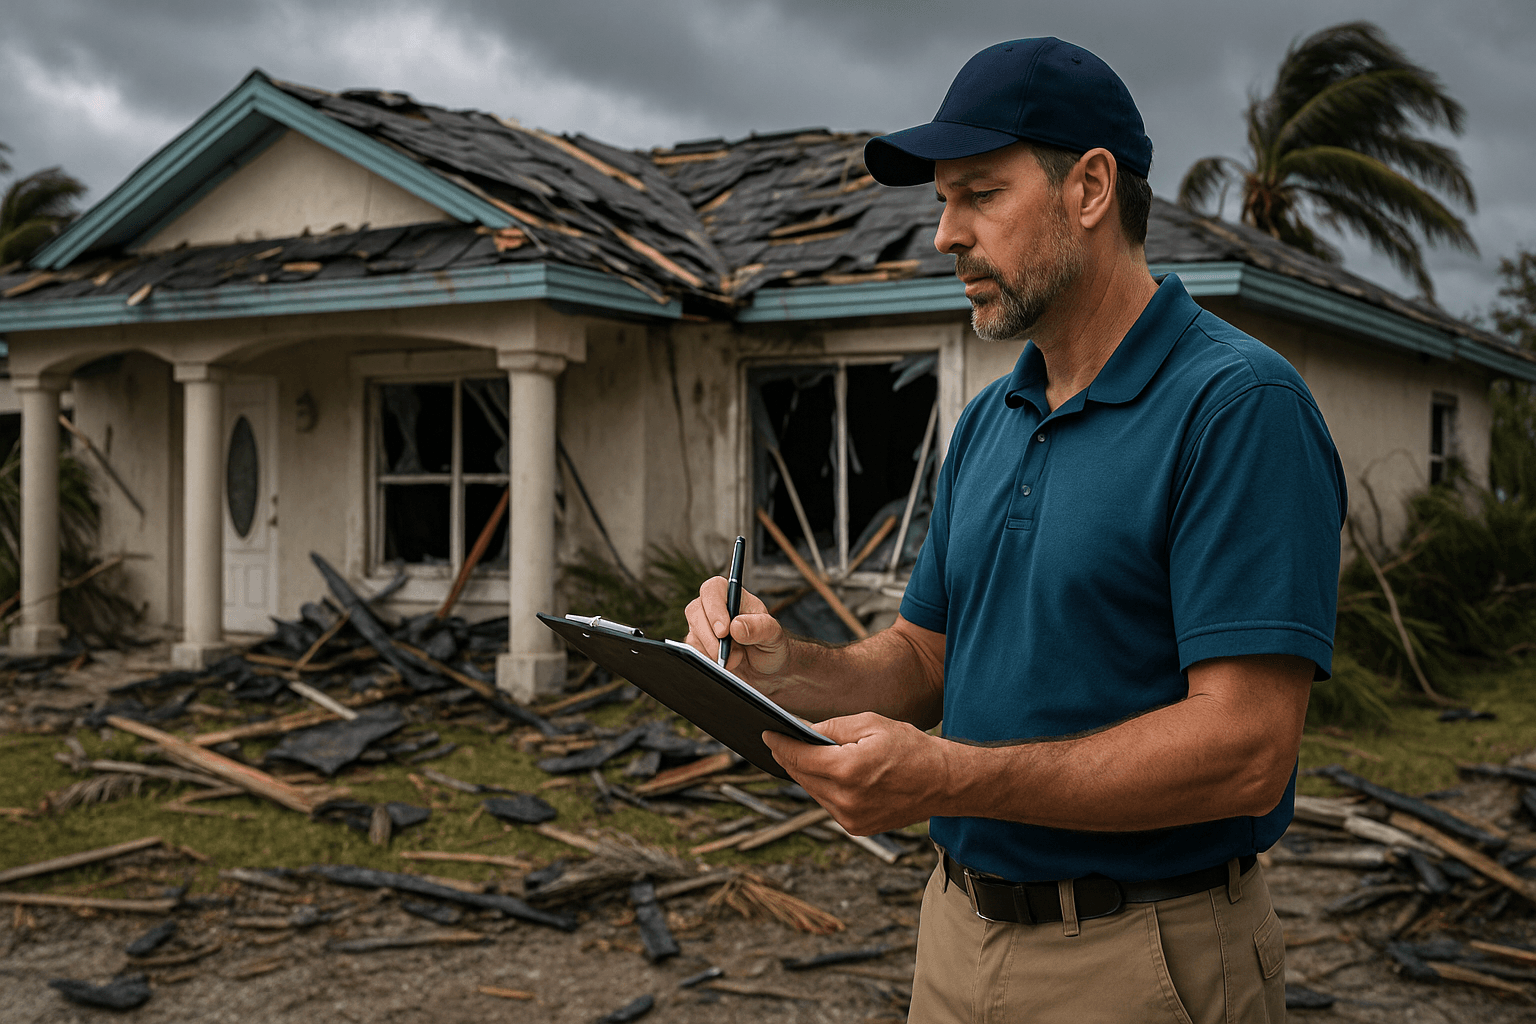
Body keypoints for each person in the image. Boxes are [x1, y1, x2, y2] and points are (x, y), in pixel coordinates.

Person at [685, 37, 1346, 1023]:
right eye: (941, 201)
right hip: (954, 936)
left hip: (1144, 957)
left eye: (980, 194)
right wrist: (782, 672)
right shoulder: (992, 421)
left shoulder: (1235, 406)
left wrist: (949, 774)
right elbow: (922, 659)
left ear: (1088, 188)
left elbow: (1249, 746)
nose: (945, 233)